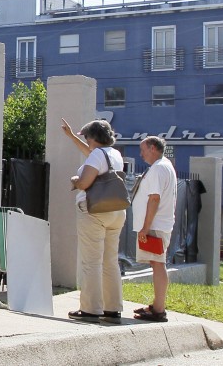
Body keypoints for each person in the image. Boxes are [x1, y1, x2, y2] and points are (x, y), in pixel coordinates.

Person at [60, 117, 126, 322]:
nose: (86, 141)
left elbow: (85, 183)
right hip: (116, 211)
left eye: (87, 137)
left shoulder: (97, 154)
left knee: (91, 261)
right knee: (110, 261)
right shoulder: (113, 154)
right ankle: (112, 308)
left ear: (93, 137)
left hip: (94, 212)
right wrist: (72, 137)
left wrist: (75, 180)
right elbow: (93, 155)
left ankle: (90, 308)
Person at [132, 135, 177, 322]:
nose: (141, 154)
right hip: (159, 224)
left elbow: (154, 198)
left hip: (155, 226)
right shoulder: (164, 166)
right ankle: (157, 306)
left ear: (152, 148)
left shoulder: (158, 168)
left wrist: (145, 227)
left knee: (158, 263)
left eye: (143, 150)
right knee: (156, 263)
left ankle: (158, 309)